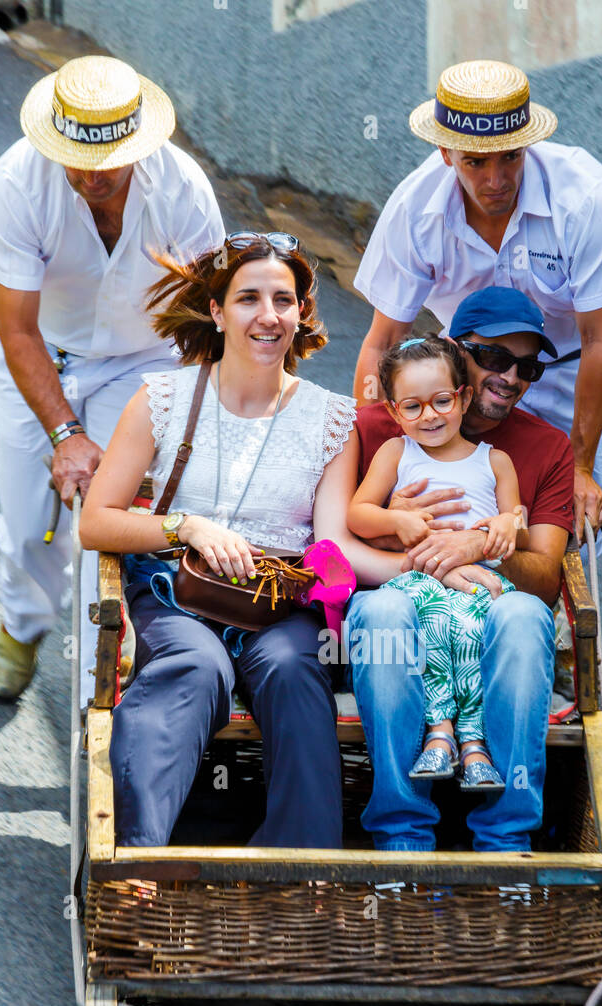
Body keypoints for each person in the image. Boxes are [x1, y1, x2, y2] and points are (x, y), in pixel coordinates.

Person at [79, 232, 360, 849]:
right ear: (216, 311)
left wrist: (432, 555)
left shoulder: (333, 418)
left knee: (293, 667)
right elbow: (95, 520)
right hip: (182, 587)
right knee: (194, 665)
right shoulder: (163, 398)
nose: (268, 316)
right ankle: (138, 858)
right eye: (248, 299)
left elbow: (337, 542)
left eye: (283, 300)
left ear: (301, 313)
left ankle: (298, 866)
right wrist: (188, 524)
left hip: (278, 599)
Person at [0, 55, 225, 701]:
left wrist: (200, 423)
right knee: (32, 524)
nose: (92, 175)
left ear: (138, 143)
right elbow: (18, 329)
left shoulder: (184, 189)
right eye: (77, 158)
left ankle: (104, 675)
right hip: (41, 353)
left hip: (144, 361)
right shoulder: (16, 182)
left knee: (110, 518)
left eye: (109, 158)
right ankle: (24, 625)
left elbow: (210, 317)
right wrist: (65, 435)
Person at [352, 58, 602, 554]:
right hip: (465, 367)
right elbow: (383, 340)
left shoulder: (587, 199)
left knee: (569, 539)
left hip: (570, 371)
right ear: (445, 152)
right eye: (475, 162)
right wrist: (375, 458)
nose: (496, 180)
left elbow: (601, 339)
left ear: (528, 143)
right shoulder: (414, 209)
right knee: (437, 519)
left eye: (510, 157)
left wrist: (581, 464)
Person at [343, 287, 574, 853]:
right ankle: (402, 832)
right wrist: (395, 526)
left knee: (523, 618)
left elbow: (544, 579)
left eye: (528, 366)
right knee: (383, 612)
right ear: (456, 351)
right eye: (496, 356)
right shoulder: (377, 430)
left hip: (489, 594)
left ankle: (507, 839)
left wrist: (479, 545)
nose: (511, 376)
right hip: (396, 586)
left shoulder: (542, 450)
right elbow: (329, 536)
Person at [348, 334, 529, 790]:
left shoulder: (496, 461)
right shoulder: (396, 453)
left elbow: (514, 523)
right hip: (418, 578)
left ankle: (473, 743)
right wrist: (393, 518)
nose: (429, 415)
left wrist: (506, 528)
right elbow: (357, 513)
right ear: (393, 412)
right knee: (426, 630)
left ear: (464, 398)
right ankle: (439, 734)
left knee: (471, 635)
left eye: (442, 400)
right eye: (412, 406)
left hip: (475, 580)